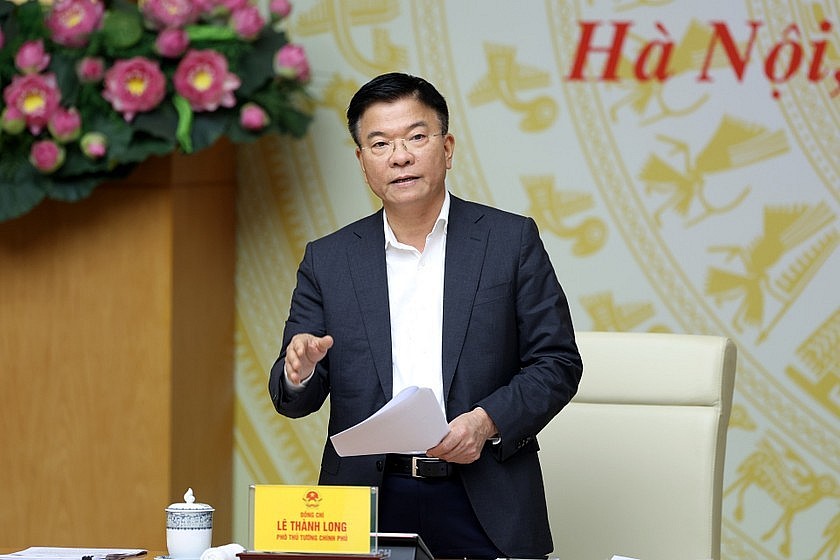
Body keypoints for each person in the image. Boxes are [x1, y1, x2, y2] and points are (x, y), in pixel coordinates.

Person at [269, 72, 582, 559]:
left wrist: (486, 422)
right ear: (362, 162)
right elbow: (293, 399)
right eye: (380, 144)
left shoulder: (509, 242)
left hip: (485, 494)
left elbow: (557, 362)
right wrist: (299, 371)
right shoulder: (328, 260)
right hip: (367, 501)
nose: (400, 157)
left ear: (447, 147)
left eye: (416, 137)